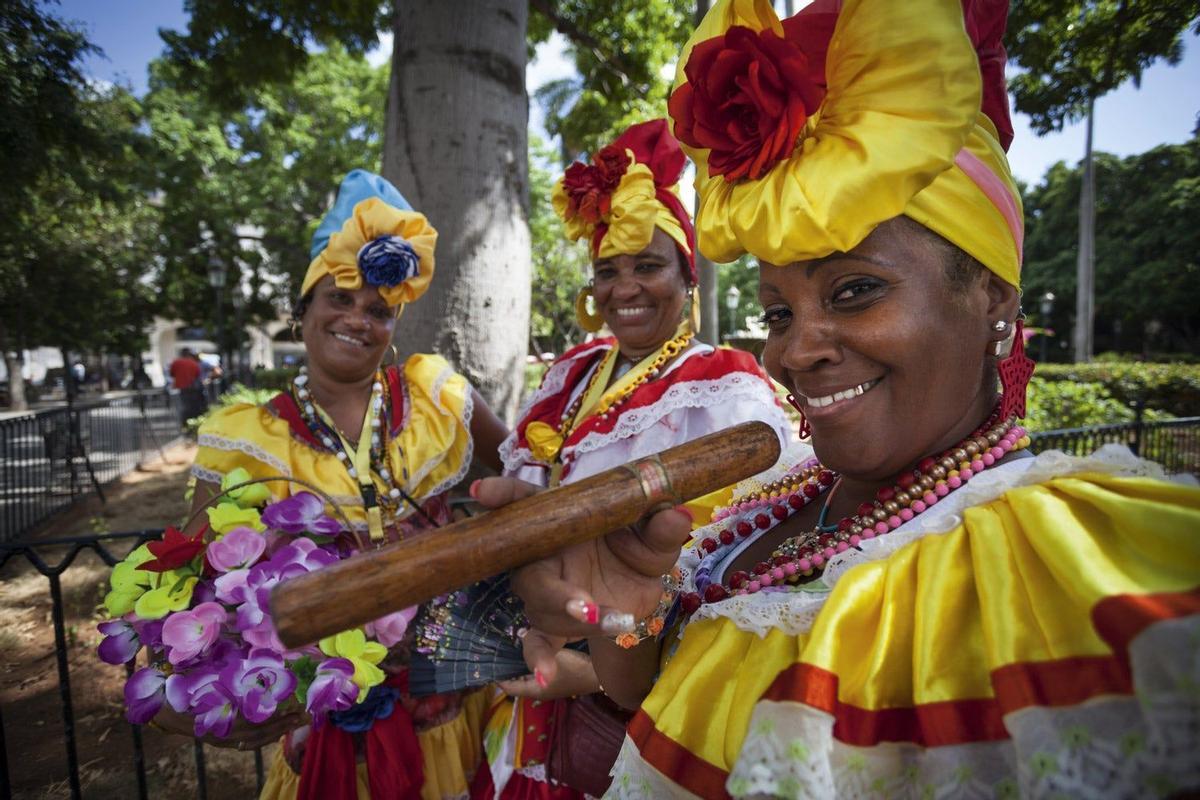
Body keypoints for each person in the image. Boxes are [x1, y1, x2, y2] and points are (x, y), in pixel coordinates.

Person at [476, 1, 1200, 797]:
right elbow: (655, 692)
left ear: (993, 296)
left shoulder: (1066, 561)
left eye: (856, 290)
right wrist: (622, 611)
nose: (795, 350)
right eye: (778, 313)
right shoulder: (767, 505)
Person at [161, 169, 510, 800]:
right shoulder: (245, 436)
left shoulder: (435, 397)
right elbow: (190, 582)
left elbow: (523, 479)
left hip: (449, 698)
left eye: (379, 310)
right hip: (318, 718)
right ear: (302, 311)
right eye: (339, 299)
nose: (358, 320)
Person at [474, 120, 793, 800]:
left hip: (645, 688)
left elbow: (745, 565)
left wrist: (592, 669)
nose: (626, 289)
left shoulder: (723, 385)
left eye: (648, 266)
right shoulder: (572, 373)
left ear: (688, 273)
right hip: (535, 675)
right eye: (608, 271)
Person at [168, 347, 205, 427]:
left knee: (182, 407)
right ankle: (191, 423)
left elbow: (171, 374)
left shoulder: (176, 362)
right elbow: (197, 375)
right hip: (192, 388)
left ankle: (183, 424)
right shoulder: (193, 363)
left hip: (180, 388)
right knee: (192, 407)